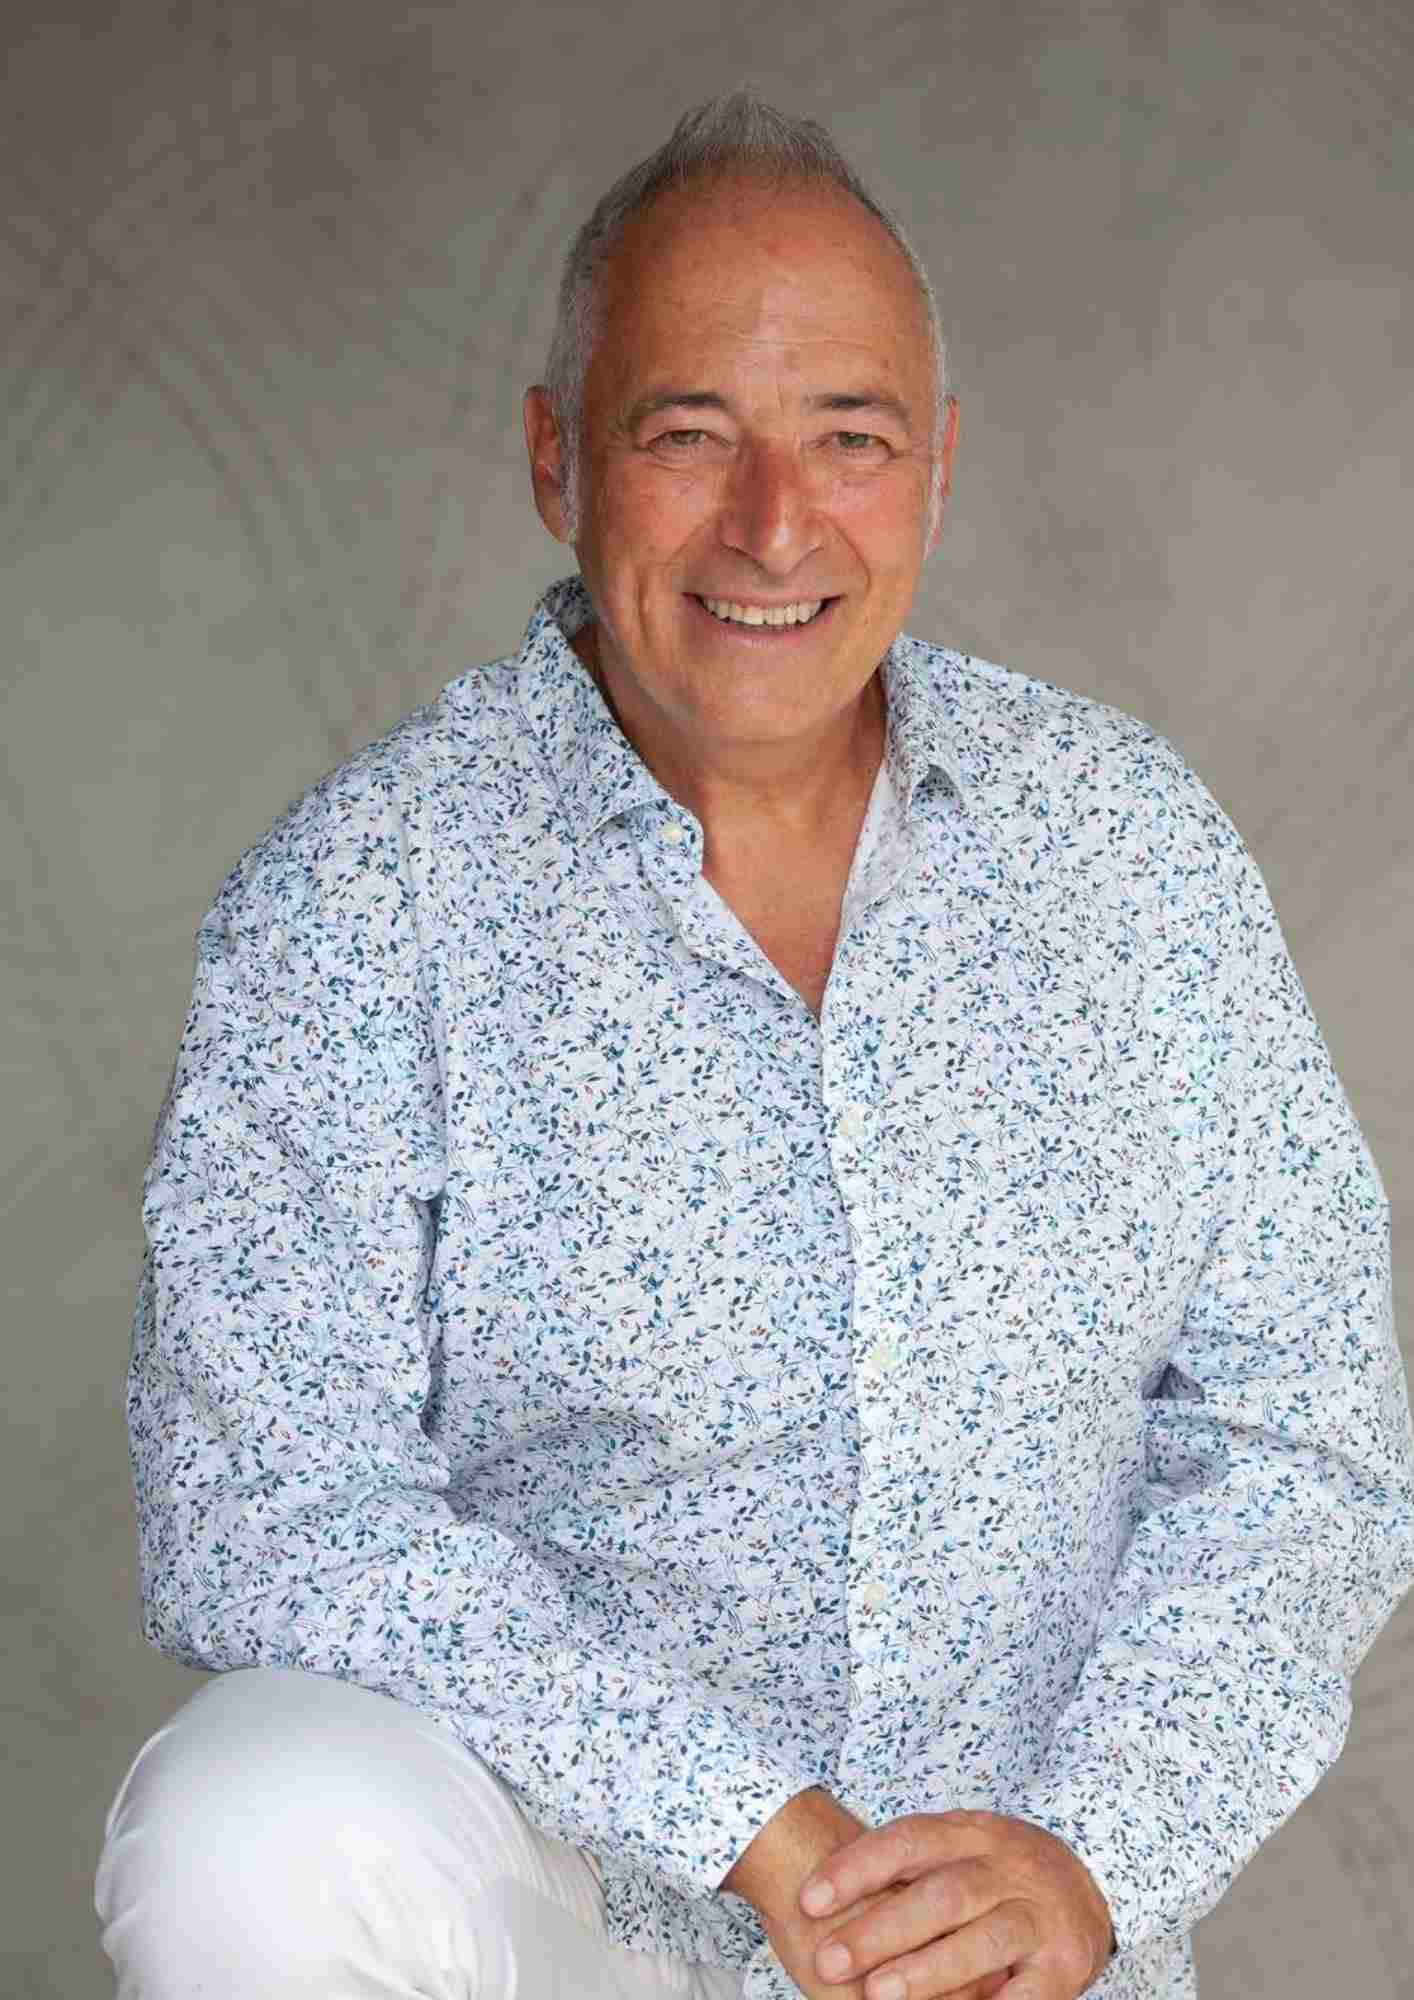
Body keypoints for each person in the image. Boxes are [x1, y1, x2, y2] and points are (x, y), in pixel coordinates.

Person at [96, 88, 1414, 2000]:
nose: (774, 526)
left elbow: (1302, 1438)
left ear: (937, 470)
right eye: (685, 434)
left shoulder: (1128, 850)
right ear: (558, 461)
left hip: (1012, 1955)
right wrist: (745, 1817)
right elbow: (256, 1501)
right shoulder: (360, 897)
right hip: (565, 1923)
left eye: (849, 438)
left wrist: (1090, 1859)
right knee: (253, 1814)